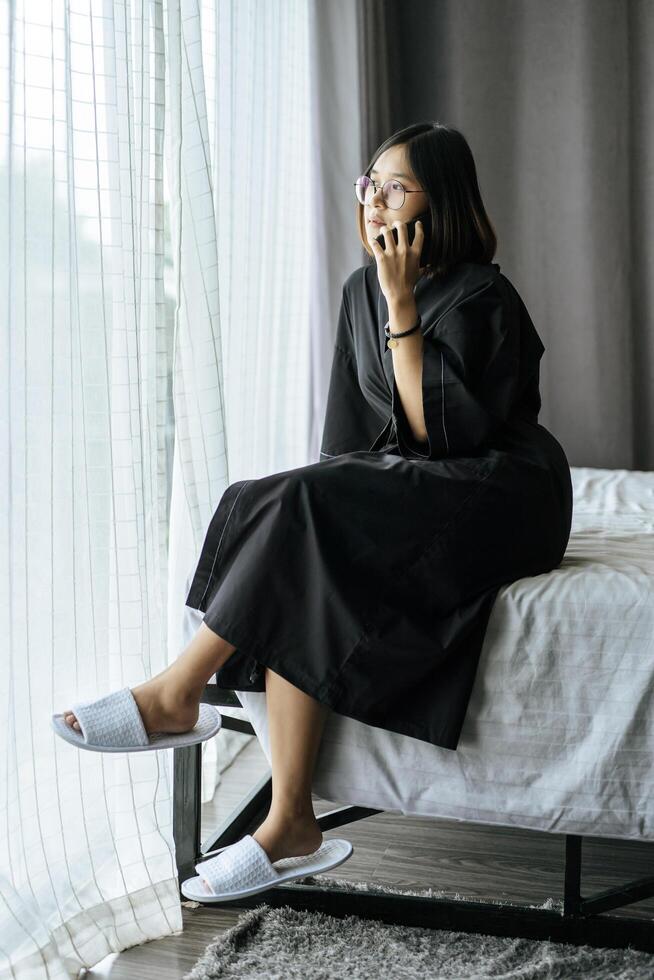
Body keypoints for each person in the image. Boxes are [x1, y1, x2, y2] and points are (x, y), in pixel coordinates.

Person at [61, 121, 573, 875]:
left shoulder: (483, 295)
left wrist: (402, 308)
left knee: (309, 515)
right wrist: (332, 513)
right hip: (415, 486)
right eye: (369, 185)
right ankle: (291, 819)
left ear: (444, 202)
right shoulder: (357, 290)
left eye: (395, 187)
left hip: (502, 492)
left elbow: (446, 441)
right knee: (280, 514)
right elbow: (348, 445)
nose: (373, 201)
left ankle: (178, 689)